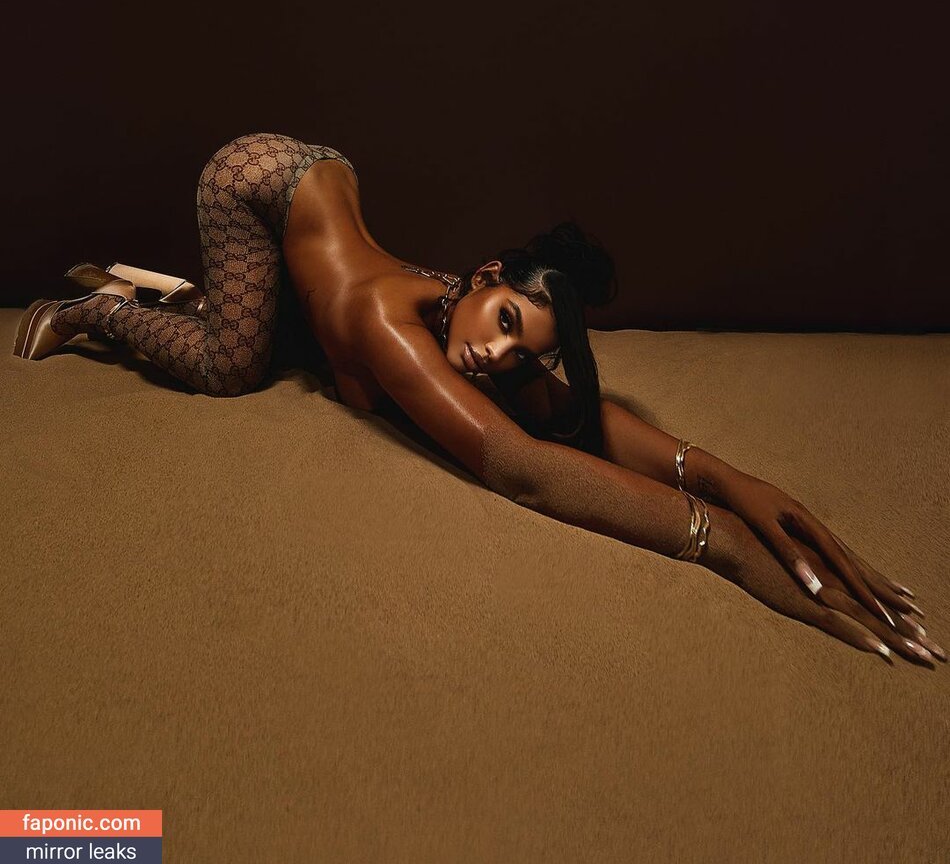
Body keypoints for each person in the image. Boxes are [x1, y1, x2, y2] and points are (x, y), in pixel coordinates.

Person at [13, 131, 942, 668]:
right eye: (502, 320)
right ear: (487, 275)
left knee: (305, 345)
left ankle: (177, 295)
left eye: (517, 347)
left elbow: (561, 417)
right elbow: (523, 469)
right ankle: (98, 308)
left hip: (327, 194)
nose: (494, 354)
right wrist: (722, 543)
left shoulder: (461, 307)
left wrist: (734, 480)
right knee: (233, 366)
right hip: (257, 177)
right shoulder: (390, 322)